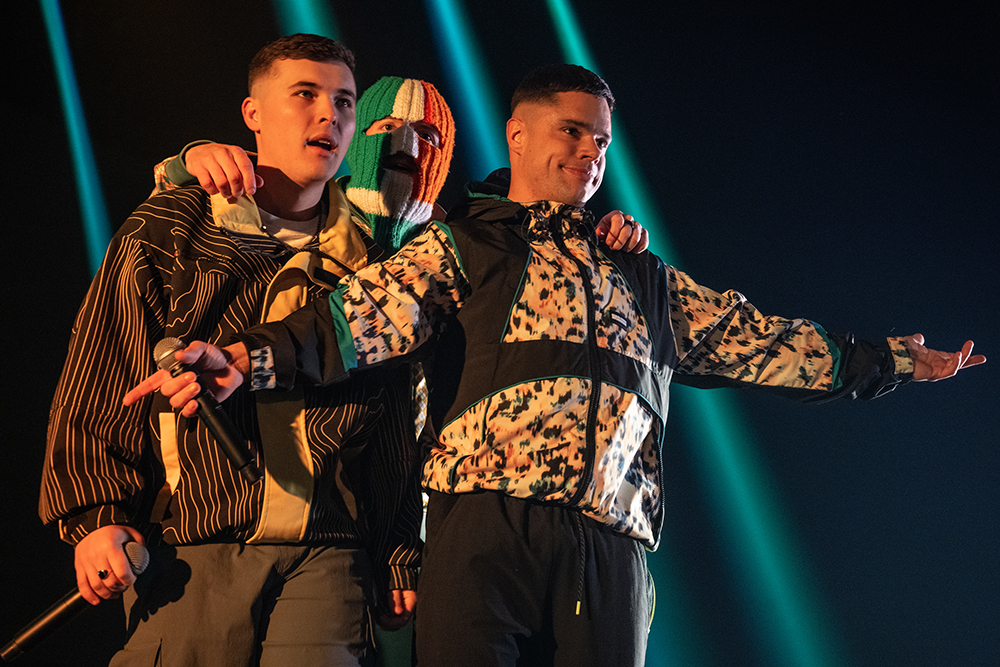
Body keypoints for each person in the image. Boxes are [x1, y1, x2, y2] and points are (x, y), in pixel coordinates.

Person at [126, 63, 985, 667]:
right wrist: (243, 359)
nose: (589, 151)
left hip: (612, 543)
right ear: (519, 134)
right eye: (571, 130)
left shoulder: (642, 273)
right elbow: (353, 320)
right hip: (481, 529)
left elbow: (763, 340)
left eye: (601, 139)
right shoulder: (465, 241)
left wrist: (891, 360)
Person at [40, 35, 428, 667]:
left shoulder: (371, 263)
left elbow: (393, 428)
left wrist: (398, 552)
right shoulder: (174, 227)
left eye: (344, 101)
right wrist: (95, 517)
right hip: (193, 546)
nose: (329, 115)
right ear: (253, 114)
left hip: (329, 549)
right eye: (305, 94)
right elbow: (102, 374)